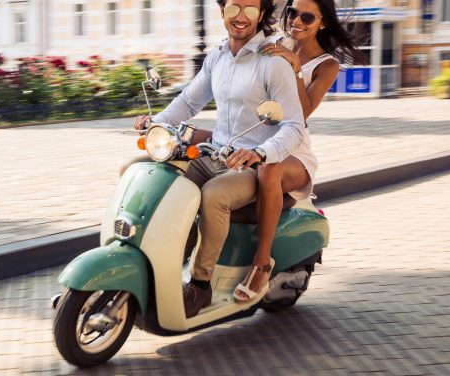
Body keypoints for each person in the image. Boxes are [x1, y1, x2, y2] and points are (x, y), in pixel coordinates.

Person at [133, 0, 314, 318]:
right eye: (233, 8)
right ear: (222, 12)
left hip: (253, 163)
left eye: (249, 9)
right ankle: (159, 261)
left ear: (261, 15)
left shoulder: (272, 63)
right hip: (217, 153)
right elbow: (189, 100)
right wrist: (157, 122)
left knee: (214, 196)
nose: (240, 17)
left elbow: (294, 126)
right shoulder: (216, 56)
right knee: (149, 173)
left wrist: (260, 152)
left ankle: (200, 286)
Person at [233, 0, 366, 302]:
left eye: (307, 16)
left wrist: (294, 67)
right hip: (252, 136)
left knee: (270, 167)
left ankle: (262, 263)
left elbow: (302, 113)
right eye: (293, 12)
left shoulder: (326, 65)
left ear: (322, 22)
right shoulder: (274, 42)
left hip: (293, 150)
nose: (297, 20)